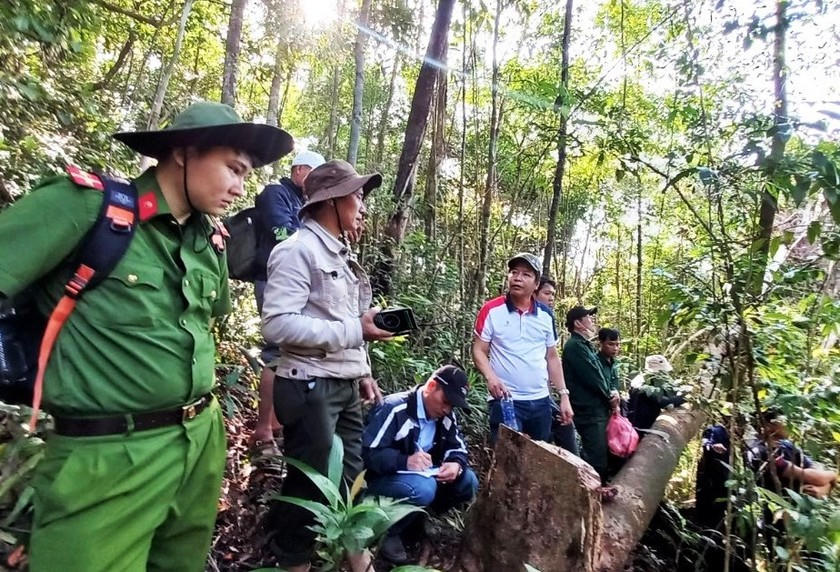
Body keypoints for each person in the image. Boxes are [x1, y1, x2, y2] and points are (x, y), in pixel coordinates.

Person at [0, 101, 292, 571]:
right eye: (233, 169)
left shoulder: (209, 241)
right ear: (184, 151)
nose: (240, 188)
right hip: (107, 455)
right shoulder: (84, 208)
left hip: (199, 442)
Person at [261, 159, 392, 572]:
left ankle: (361, 565)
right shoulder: (297, 250)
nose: (363, 205)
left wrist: (364, 371)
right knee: (308, 485)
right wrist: (356, 331)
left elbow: (351, 321)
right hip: (308, 386)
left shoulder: (342, 252)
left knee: (353, 481)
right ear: (331, 201)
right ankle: (293, 563)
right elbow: (277, 323)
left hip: (344, 383)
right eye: (356, 195)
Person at [250, 150, 325, 456]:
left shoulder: (306, 204)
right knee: (275, 351)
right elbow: (281, 232)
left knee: (292, 351)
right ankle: (263, 432)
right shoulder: (275, 194)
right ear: (298, 171)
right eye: (313, 174)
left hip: (299, 283)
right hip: (272, 279)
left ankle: (278, 425)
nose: (316, 181)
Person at [362, 365, 478, 564]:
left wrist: (455, 464)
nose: (447, 409)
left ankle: (416, 519)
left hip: (422, 479)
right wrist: (405, 461)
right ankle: (389, 530)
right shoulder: (395, 408)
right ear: (431, 386)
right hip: (380, 481)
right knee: (423, 488)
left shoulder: (446, 416)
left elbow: (457, 447)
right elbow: (367, 453)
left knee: (468, 481)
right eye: (445, 401)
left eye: (452, 406)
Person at [472, 253, 573, 444]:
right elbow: (479, 350)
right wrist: (490, 377)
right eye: (513, 272)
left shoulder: (546, 315)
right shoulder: (491, 310)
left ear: (536, 284)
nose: (517, 278)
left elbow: (552, 357)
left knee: (539, 458)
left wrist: (563, 395)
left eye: (526, 274)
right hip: (505, 400)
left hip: (541, 401)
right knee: (507, 460)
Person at [562, 306, 618, 496]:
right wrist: (609, 398)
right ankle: (594, 493)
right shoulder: (575, 347)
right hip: (589, 410)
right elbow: (593, 377)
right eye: (588, 318)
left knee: (600, 451)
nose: (592, 322)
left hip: (596, 409)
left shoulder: (584, 345)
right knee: (596, 453)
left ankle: (596, 490)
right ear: (578, 323)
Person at [627, 355, 686, 431]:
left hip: (642, 424)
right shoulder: (644, 385)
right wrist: (685, 397)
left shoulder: (642, 380)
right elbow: (666, 402)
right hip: (639, 427)